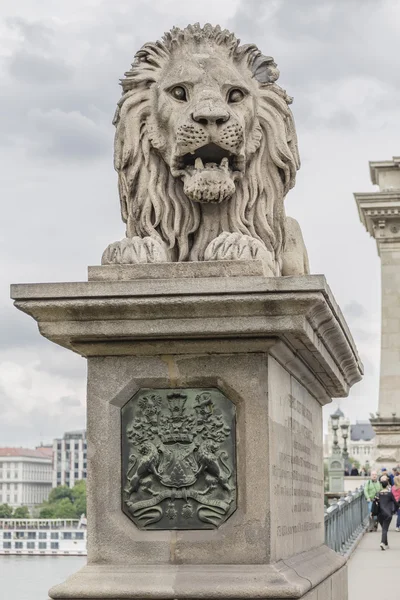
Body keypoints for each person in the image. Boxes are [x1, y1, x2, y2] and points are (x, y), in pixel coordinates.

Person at [375, 479, 399, 550]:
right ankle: (382, 542)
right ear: (387, 485)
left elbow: (374, 504)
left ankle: (386, 543)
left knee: (384, 529)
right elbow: (396, 503)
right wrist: (394, 511)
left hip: (379, 514)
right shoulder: (390, 494)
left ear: (381, 486)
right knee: (385, 529)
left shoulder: (377, 494)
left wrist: (373, 513)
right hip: (388, 514)